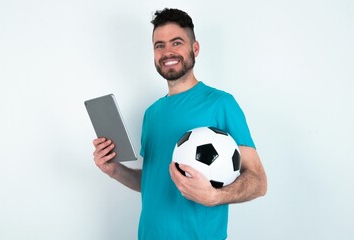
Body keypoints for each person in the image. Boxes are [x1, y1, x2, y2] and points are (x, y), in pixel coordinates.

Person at [92, 8, 267, 240]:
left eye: (177, 43)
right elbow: (153, 182)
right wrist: (114, 170)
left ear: (195, 49)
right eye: (159, 45)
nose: (167, 52)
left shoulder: (221, 103)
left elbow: (258, 181)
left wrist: (215, 196)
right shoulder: (151, 113)